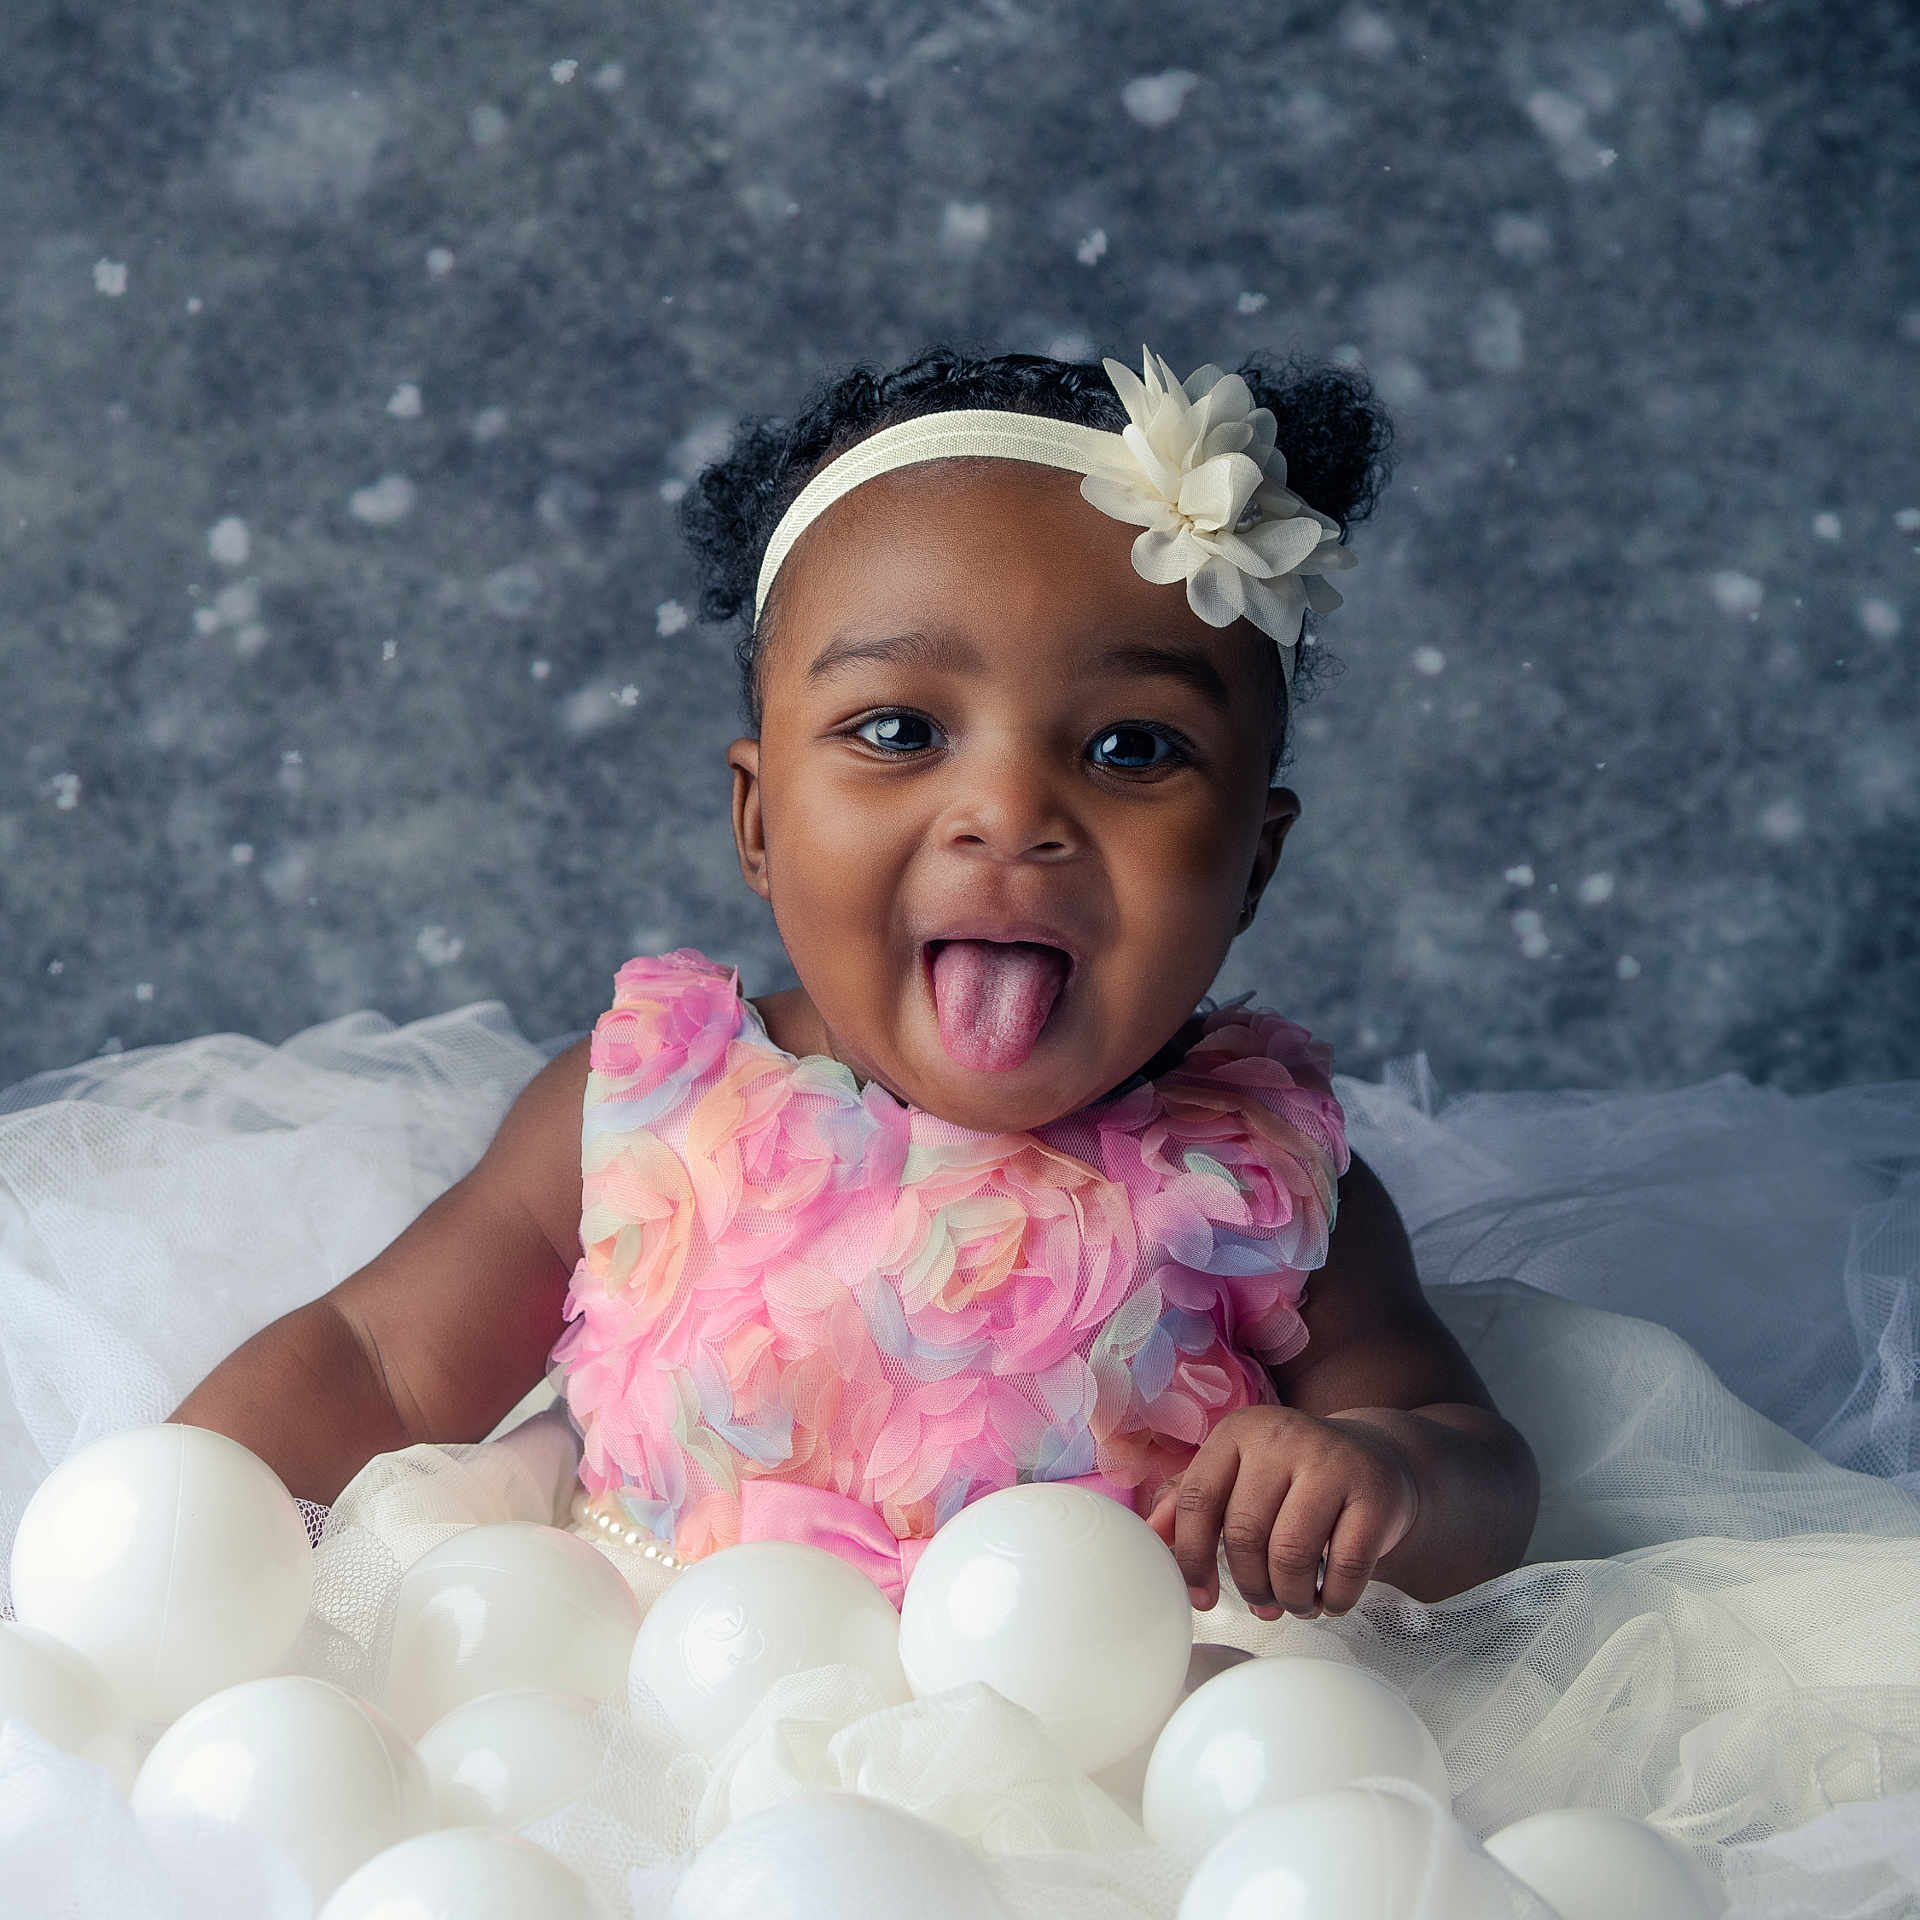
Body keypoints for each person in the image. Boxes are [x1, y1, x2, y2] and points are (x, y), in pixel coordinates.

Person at [168, 342, 1539, 1623]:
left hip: (1093, 1755)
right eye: (899, 730)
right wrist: (158, 1531)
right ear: (759, 824)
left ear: (1252, 862)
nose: (1008, 811)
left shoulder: (1266, 1178)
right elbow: (375, 1358)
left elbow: (1472, 1459)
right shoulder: (648, 1109)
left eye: (1130, 747)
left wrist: (1386, 1477)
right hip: (648, 1704)